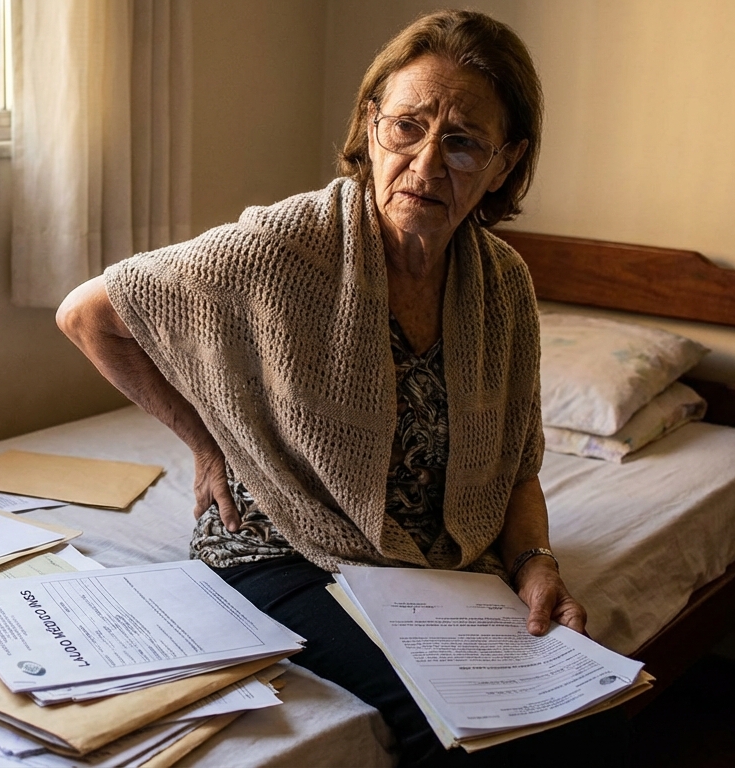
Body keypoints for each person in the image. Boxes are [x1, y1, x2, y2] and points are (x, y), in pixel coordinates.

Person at [58, 9, 621, 766]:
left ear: (504, 162)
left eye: (461, 144)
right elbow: (89, 314)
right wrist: (205, 439)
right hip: (279, 546)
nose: (424, 167)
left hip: (425, 570)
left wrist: (536, 563)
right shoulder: (285, 248)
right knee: (456, 726)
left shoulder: (504, 286)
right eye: (407, 127)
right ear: (370, 122)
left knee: (562, 703)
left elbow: (516, 467)